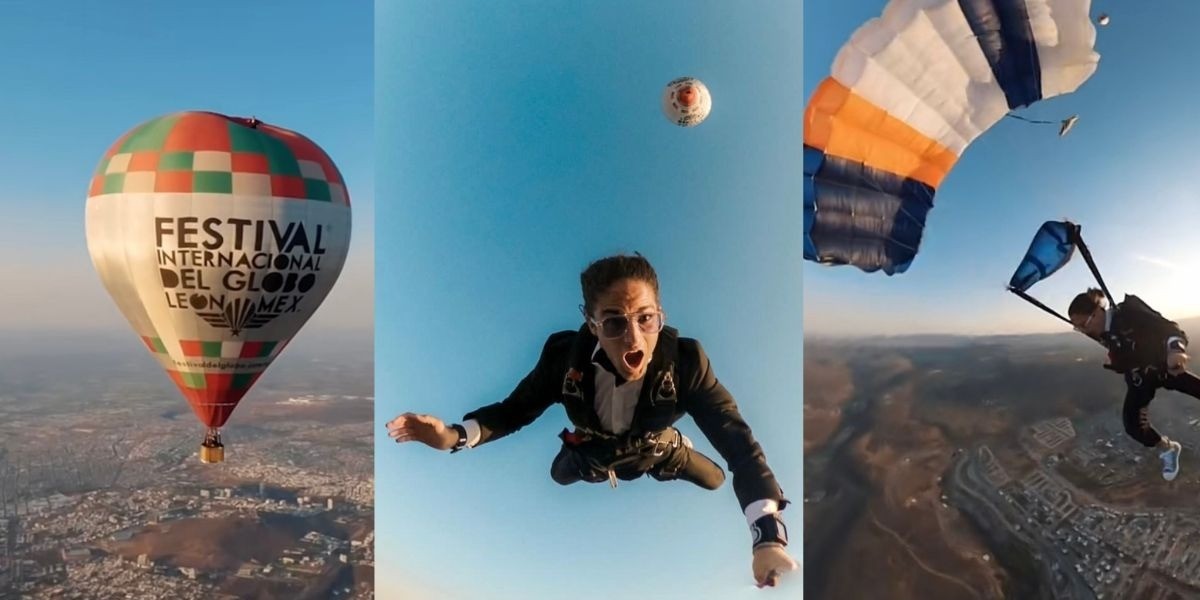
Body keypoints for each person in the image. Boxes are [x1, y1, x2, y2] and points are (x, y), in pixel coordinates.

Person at [386, 253, 798, 587]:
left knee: (715, 480)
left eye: (646, 319)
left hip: (654, 446)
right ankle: (598, 462)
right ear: (591, 323)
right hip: (596, 444)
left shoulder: (686, 363)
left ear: (660, 314)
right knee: (559, 474)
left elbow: (737, 441)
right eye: (615, 322)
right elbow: (516, 410)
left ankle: (669, 449)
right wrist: (452, 436)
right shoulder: (564, 359)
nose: (634, 338)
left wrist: (767, 534)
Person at [1069, 287, 1195, 480]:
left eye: (1083, 325)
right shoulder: (1104, 333)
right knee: (1133, 426)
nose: (1083, 331)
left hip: (1166, 367)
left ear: (1096, 314)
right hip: (1140, 379)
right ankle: (1168, 448)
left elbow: (1169, 327)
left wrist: (1175, 350)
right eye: (1077, 328)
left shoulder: (1129, 313)